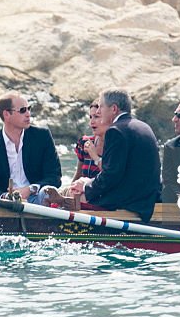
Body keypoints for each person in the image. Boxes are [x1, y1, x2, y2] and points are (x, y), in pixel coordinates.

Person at [68, 89, 161, 221]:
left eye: (101, 107)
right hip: (146, 197)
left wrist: (85, 186)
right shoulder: (144, 126)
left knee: (75, 194)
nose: (98, 111)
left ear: (114, 109)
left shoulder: (115, 130)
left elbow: (111, 175)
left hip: (129, 201)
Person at [0, 91, 62, 205]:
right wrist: (5, 196)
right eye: (22, 110)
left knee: (44, 193)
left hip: (37, 198)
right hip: (4, 203)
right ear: (6, 114)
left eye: (29, 109)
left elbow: (54, 177)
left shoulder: (42, 136)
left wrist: (31, 189)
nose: (28, 114)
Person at [72, 103, 105, 182]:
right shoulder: (85, 142)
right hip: (81, 192)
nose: (91, 122)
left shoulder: (116, 145)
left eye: (96, 116)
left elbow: (112, 176)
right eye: (90, 117)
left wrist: (95, 156)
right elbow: (78, 175)